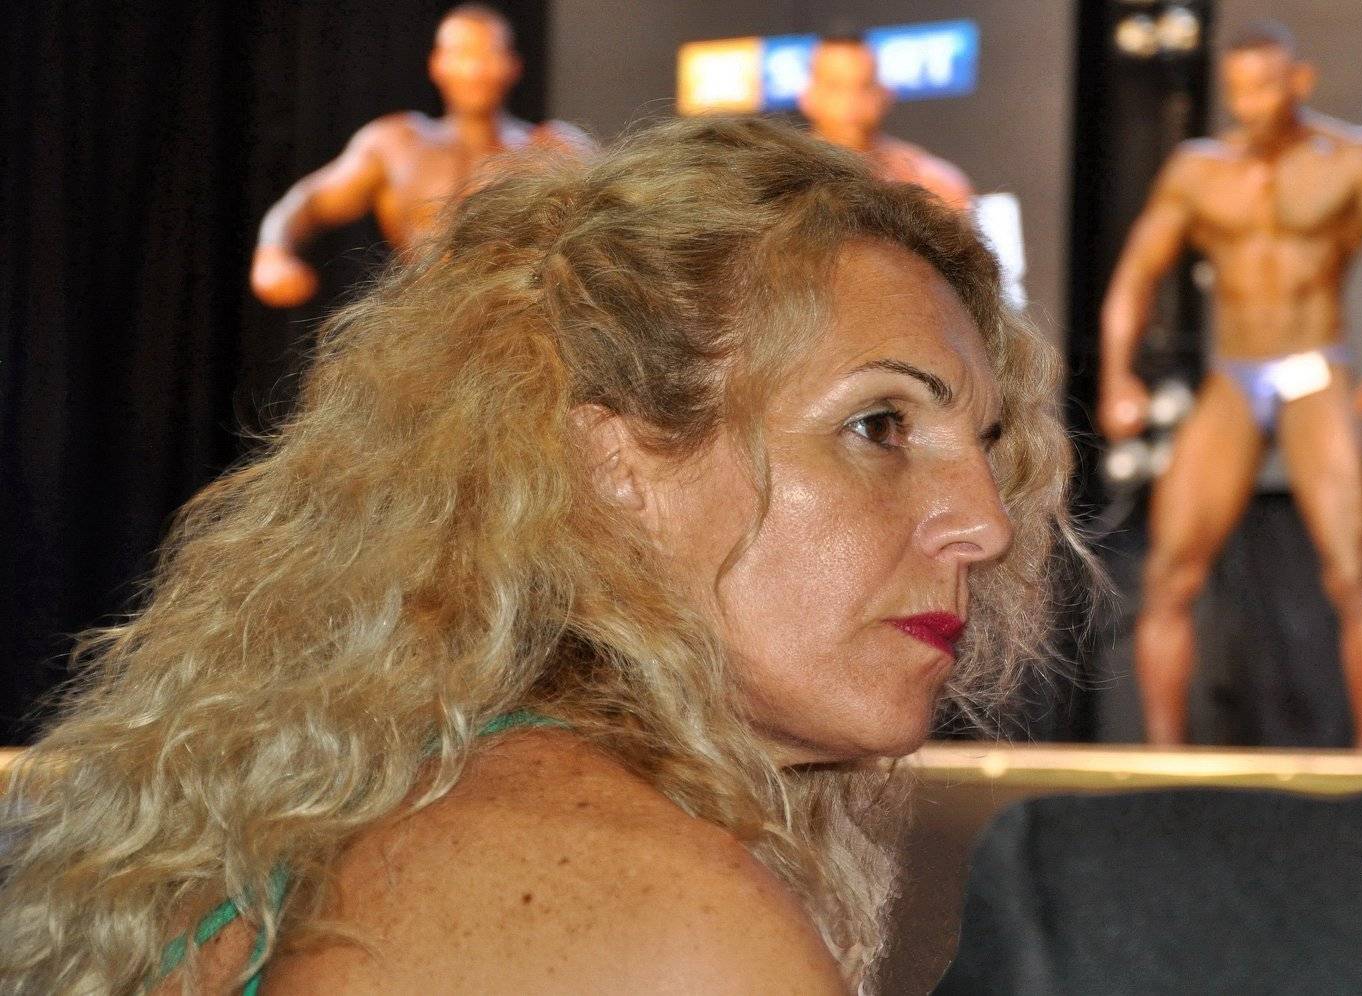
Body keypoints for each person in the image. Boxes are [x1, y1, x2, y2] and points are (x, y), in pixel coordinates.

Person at [0, 117, 1083, 993]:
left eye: (987, 448)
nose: (985, 525)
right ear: (614, 462)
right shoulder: (660, 911)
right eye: (879, 426)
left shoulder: (375, 805)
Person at [1098, 21, 1362, 749]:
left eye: (1263, 88)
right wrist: (1116, 373)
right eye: (1237, 92)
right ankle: (1163, 760)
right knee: (1170, 574)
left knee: (1351, 571)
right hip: (1236, 371)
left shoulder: (1356, 160)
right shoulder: (1198, 169)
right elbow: (1136, 274)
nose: (1248, 105)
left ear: (1299, 82)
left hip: (1315, 366)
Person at [249, 4, 592, 309]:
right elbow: (310, 202)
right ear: (437, 64)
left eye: (488, 53)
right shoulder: (396, 145)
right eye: (461, 53)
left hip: (522, 332)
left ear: (513, 66)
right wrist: (272, 252)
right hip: (425, 331)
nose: (474, 69)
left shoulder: (554, 150)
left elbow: (614, 223)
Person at [798, 35, 974, 212]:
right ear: (808, 96)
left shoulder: (932, 183)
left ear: (884, 94)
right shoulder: (789, 181)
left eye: (865, 85)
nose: (851, 102)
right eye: (834, 87)